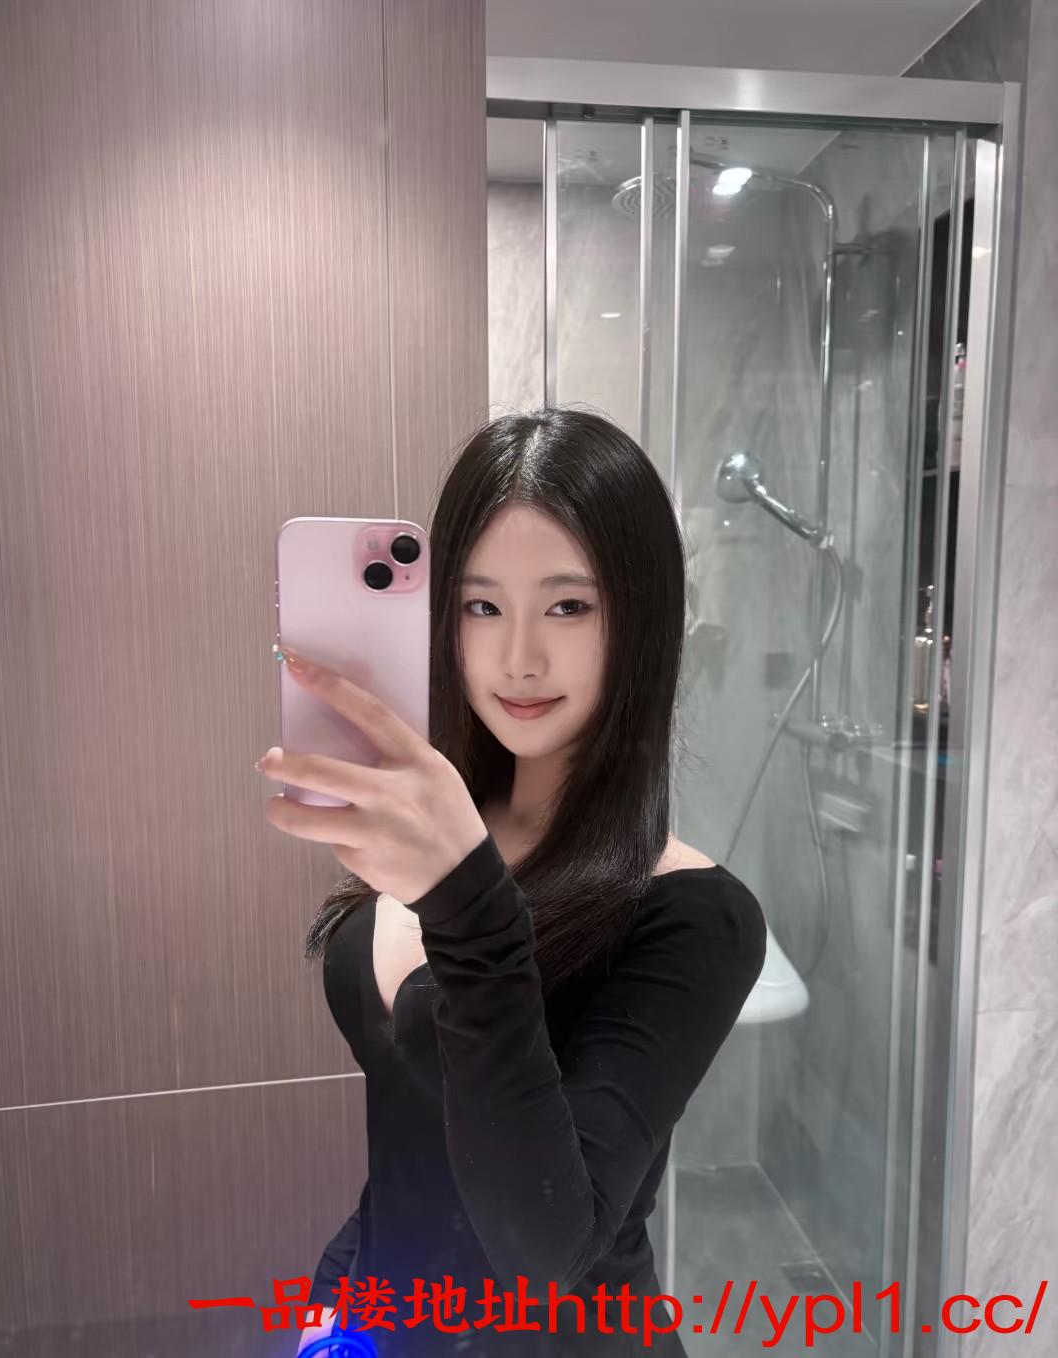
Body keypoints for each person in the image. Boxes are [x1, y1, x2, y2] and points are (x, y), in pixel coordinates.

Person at [263, 407, 767, 1355]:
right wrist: (333, 1307)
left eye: (568, 606)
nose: (519, 657)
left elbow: (545, 1252)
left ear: (640, 620)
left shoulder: (695, 916)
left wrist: (470, 907)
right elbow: (411, 1144)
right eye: (481, 606)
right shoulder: (434, 828)